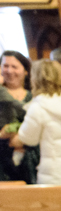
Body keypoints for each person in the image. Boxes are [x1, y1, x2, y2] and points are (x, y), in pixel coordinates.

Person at [0, 50, 38, 183]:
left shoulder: (34, 95)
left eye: (14, 67)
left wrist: (22, 136)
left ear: (26, 71)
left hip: (32, 158)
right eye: (5, 66)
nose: (9, 71)